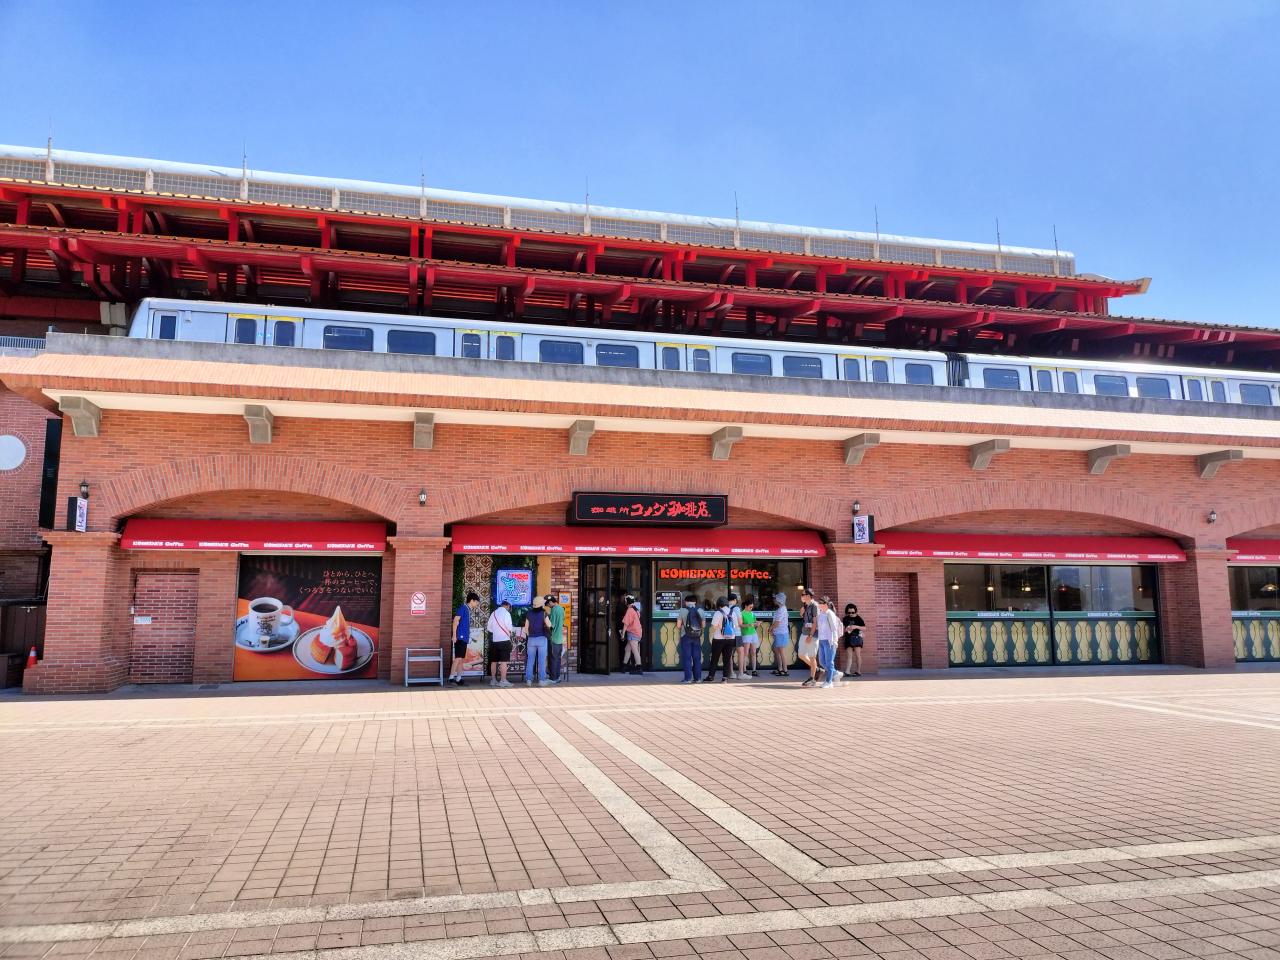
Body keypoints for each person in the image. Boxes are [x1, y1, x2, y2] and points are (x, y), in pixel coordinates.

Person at [448, 591, 480, 686]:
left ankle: (459, 678)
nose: (477, 604)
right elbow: (455, 621)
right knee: (458, 658)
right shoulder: (463, 608)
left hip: (465, 638)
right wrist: (454, 635)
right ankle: (451, 678)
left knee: (461, 659)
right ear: (472, 600)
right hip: (460, 637)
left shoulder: (468, 609)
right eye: (476, 602)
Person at [705, 596, 735, 682]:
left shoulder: (718, 613)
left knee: (715, 658)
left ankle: (711, 676)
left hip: (718, 638)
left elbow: (714, 627)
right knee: (727, 659)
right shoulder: (732, 612)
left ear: (719, 604)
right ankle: (725, 677)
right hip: (730, 638)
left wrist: (710, 635)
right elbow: (735, 626)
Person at [816, 596, 844, 689]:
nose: (819, 605)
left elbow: (834, 629)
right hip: (821, 640)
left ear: (825, 604)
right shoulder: (821, 614)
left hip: (829, 641)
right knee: (822, 661)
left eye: (820, 603)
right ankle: (835, 673)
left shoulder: (830, 614)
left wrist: (835, 641)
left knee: (829, 662)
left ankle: (829, 682)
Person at [486, 598, 515, 687]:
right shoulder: (506, 614)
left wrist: (496, 631)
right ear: (508, 605)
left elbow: (489, 628)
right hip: (504, 640)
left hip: (494, 640)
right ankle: (503, 681)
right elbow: (509, 628)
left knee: (493, 661)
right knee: (503, 661)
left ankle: (493, 680)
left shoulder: (493, 613)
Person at [675, 594, 703, 683]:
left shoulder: (682, 610)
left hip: (685, 636)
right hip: (697, 636)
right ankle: (698, 678)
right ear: (695, 602)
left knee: (687, 657)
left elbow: (678, 625)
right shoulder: (700, 610)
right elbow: (703, 625)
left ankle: (688, 679)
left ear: (686, 602)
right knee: (697, 657)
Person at [796, 588, 820, 687]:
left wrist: (811, 635)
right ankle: (817, 669)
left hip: (812, 634)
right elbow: (805, 619)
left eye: (803, 594)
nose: (801, 596)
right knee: (801, 654)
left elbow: (815, 622)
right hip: (804, 632)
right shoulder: (806, 605)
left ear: (808, 596)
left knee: (811, 656)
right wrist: (801, 613)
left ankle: (812, 678)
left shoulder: (815, 606)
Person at [524, 596, 550, 686]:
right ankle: (542, 680)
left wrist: (529, 635)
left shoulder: (529, 614)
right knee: (542, 661)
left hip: (531, 639)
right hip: (542, 639)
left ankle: (528, 680)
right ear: (541, 605)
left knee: (530, 660)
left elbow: (526, 628)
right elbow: (549, 625)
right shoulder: (544, 613)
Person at [621, 595, 644, 675]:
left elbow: (626, 624)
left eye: (625, 601)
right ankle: (624, 666)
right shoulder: (635, 609)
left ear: (627, 602)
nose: (624, 602)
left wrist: (623, 634)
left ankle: (639, 668)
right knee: (627, 649)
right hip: (637, 632)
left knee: (635, 650)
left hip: (633, 633)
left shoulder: (630, 610)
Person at [842, 602, 866, 678]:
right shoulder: (845, 618)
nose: (851, 614)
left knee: (858, 655)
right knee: (849, 655)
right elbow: (843, 629)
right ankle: (847, 671)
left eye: (853, 612)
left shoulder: (858, 618)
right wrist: (846, 629)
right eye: (849, 612)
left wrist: (856, 626)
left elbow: (864, 628)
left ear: (855, 611)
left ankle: (858, 671)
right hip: (848, 638)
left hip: (857, 638)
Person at [737, 597, 759, 678]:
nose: (751, 608)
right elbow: (741, 625)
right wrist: (749, 625)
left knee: (753, 652)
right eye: (750, 607)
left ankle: (754, 670)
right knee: (745, 653)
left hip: (753, 633)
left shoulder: (752, 613)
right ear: (746, 606)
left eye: (752, 607)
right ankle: (744, 670)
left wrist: (757, 623)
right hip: (746, 634)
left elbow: (755, 622)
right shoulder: (741, 613)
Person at [545, 594, 565, 683]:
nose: (548, 606)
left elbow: (551, 625)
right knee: (558, 659)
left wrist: (546, 621)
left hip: (553, 638)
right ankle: (557, 677)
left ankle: (553, 678)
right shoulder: (561, 609)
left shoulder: (554, 610)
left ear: (550, 602)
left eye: (547, 604)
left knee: (552, 659)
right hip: (560, 638)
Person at [770, 592, 790, 676]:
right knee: (776, 650)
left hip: (781, 633)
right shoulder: (781, 609)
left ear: (779, 600)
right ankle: (780, 668)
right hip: (779, 633)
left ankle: (785, 670)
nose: (774, 600)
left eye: (775, 598)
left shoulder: (782, 610)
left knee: (781, 651)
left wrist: (770, 628)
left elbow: (777, 623)